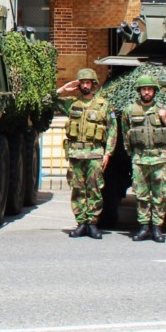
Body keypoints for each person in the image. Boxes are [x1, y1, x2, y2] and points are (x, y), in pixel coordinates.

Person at [55, 68, 116, 239]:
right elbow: (49, 100)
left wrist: (108, 154)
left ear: (93, 85)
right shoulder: (72, 104)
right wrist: (63, 89)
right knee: (77, 190)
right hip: (76, 154)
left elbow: (112, 130)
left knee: (94, 189)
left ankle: (93, 223)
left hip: (95, 154)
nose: (85, 85)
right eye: (82, 82)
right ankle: (81, 222)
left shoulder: (103, 106)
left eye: (88, 82)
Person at [119, 74, 166, 243]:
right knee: (141, 195)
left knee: (159, 195)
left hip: (159, 158)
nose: (147, 92)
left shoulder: (164, 109)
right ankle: (144, 227)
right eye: (144, 89)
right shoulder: (130, 110)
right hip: (139, 158)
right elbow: (125, 133)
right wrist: (132, 154)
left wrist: (164, 119)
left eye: (150, 89)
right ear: (140, 91)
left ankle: (157, 227)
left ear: (154, 91)